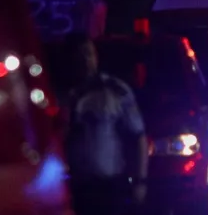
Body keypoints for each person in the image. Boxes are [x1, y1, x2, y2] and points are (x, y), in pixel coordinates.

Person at [62, 32, 149, 215]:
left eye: (88, 53)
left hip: (108, 186)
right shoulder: (59, 95)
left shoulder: (114, 92)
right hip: (72, 187)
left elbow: (138, 137)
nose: (85, 60)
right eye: (79, 54)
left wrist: (140, 181)